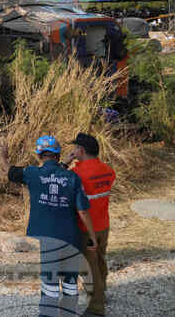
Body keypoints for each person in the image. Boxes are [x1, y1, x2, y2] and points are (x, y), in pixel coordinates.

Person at [1, 135, 96, 317]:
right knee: (69, 280)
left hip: (49, 240)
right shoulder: (72, 178)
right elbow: (83, 211)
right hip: (71, 239)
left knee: (50, 281)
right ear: (58, 155)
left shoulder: (31, 174)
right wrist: (92, 236)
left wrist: (3, 157)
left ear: (39, 155)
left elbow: (9, 171)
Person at [64, 133, 116, 316]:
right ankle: (102, 293)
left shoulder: (77, 174)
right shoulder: (109, 171)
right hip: (104, 225)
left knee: (89, 267)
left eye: (75, 148)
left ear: (81, 150)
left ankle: (96, 308)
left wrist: (65, 163)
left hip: (86, 229)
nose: (73, 151)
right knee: (100, 261)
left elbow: (61, 181)